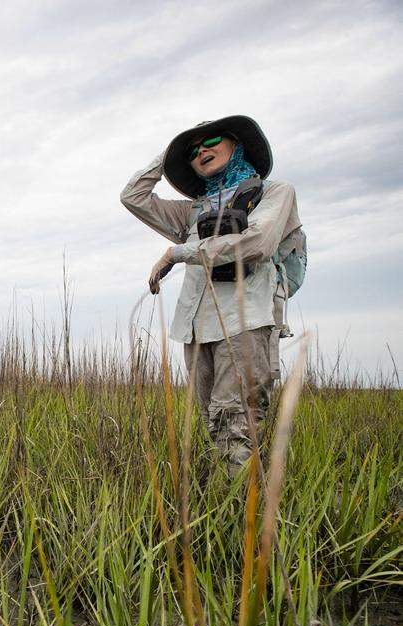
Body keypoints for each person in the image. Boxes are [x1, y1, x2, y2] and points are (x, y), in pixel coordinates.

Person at [120, 115, 302, 475]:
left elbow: (259, 242)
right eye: (192, 151)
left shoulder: (274, 193)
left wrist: (178, 253)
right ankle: (242, 514)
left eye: (212, 140)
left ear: (237, 144)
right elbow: (134, 197)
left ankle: (254, 523)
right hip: (195, 328)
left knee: (235, 425)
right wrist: (170, 152)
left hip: (246, 320)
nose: (201, 150)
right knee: (215, 427)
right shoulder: (193, 210)